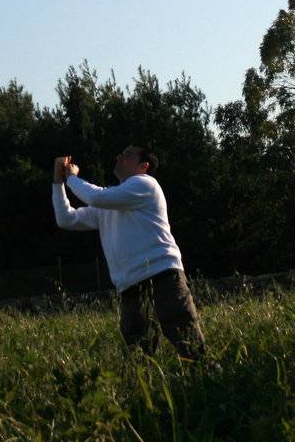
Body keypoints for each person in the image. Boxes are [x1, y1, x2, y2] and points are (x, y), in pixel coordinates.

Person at [50, 145, 204, 358]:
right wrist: (57, 182)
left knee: (191, 347)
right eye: (121, 153)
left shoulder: (145, 184)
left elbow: (96, 197)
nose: (119, 157)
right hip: (131, 288)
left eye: (127, 155)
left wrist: (72, 178)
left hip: (163, 279)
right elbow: (65, 218)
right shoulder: (110, 201)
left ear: (144, 166)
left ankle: (211, 385)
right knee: (140, 360)